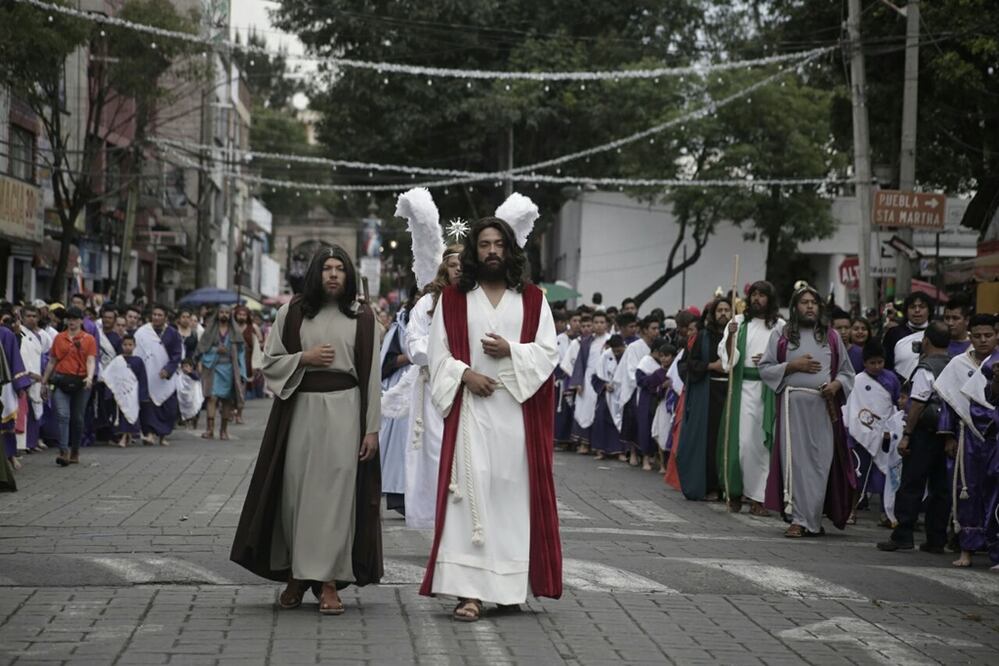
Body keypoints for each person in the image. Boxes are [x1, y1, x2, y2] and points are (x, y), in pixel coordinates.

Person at [420, 213, 561, 622]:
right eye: (484, 244)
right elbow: (437, 354)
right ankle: (470, 593)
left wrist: (512, 352)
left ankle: (508, 587)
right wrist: (466, 374)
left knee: (511, 499)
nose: (492, 251)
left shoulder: (533, 299)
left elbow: (548, 352)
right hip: (471, 413)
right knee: (471, 499)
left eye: (499, 244)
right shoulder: (453, 299)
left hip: (517, 416)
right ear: (473, 252)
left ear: (510, 250)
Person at [230, 245, 382, 615]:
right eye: (327, 268)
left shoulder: (362, 317)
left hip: (345, 412)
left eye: (339, 269)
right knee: (295, 494)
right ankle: (297, 576)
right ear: (316, 273)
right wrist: (305, 359)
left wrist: (371, 429)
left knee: (336, 498)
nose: (333, 274)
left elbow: (372, 377)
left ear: (348, 276)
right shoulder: (292, 312)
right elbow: (269, 362)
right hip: (300, 412)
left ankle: (328, 582)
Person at [759, 283, 855, 537]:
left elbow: (847, 372)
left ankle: (811, 518)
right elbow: (766, 368)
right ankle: (799, 520)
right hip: (792, 409)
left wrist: (835, 386)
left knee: (820, 463)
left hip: (823, 408)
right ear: (794, 307)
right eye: (804, 302)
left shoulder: (832, 337)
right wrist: (792, 366)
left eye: (813, 302)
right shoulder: (782, 336)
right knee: (797, 463)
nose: (810, 306)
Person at [877, 323, 950, 553]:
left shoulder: (925, 367)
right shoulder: (955, 364)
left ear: (926, 341)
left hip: (925, 432)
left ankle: (903, 534)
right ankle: (936, 538)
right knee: (941, 488)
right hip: (947, 433)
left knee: (911, 483)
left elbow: (917, 403)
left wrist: (907, 435)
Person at [404, 245, 462, 530]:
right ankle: (435, 518)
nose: (459, 270)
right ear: (445, 268)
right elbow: (414, 343)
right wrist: (446, 356)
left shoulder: (476, 299)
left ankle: (463, 518)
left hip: (465, 386)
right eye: (454, 265)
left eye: (465, 264)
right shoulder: (427, 303)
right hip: (432, 387)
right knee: (434, 451)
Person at [933, 313, 999, 568]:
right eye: (978, 336)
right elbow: (948, 403)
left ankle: (995, 551)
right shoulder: (958, 364)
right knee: (967, 491)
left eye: (988, 335)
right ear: (970, 336)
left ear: (996, 336)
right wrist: (949, 436)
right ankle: (967, 550)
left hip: (995, 438)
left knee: (995, 493)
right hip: (968, 436)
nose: (983, 340)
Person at [718, 281, 783, 515]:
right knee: (743, 444)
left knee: (763, 445)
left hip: (768, 390)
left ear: (770, 299)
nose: (757, 299)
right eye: (754, 295)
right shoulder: (738, 322)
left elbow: (786, 355)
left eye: (762, 295)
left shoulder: (780, 326)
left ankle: (759, 498)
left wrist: (769, 360)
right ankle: (735, 491)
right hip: (742, 390)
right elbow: (727, 359)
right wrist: (730, 337)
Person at [675, 297, 732, 500]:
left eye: (727, 309)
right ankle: (711, 486)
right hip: (710, 394)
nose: (723, 314)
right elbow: (691, 364)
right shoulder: (702, 337)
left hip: (733, 392)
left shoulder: (737, 335)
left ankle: (730, 486)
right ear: (713, 314)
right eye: (720, 310)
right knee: (711, 440)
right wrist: (711, 367)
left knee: (730, 440)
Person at [842, 339, 904, 526]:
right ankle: (851, 511)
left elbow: (893, 406)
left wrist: (891, 429)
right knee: (857, 477)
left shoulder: (891, 379)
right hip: (860, 435)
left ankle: (887, 513)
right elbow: (853, 407)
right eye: (872, 363)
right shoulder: (857, 380)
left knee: (885, 477)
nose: (877, 366)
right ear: (864, 362)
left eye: (880, 362)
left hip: (884, 436)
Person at [40, 307, 96, 467]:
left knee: (77, 419)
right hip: (61, 381)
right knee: (63, 416)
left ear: (81, 321)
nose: (71, 322)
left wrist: (90, 377)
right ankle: (63, 451)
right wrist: (44, 381)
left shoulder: (89, 339)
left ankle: (75, 451)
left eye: (75, 319)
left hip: (81, 382)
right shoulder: (59, 338)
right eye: (69, 319)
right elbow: (52, 361)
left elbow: (91, 360)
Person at [611, 315, 660, 468]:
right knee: (633, 420)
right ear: (645, 330)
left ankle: (649, 453)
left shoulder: (659, 346)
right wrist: (644, 380)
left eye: (658, 328)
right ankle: (633, 452)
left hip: (652, 389)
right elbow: (631, 370)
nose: (656, 332)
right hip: (636, 388)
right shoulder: (634, 347)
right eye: (653, 328)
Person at [379, 304, 412, 515]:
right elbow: (387, 362)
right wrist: (416, 355)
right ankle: (400, 496)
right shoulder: (400, 325)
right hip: (405, 387)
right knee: (402, 445)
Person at [135, 304, 182, 446]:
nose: (156, 317)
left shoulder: (172, 333)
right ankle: (149, 434)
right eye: (154, 314)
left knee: (168, 407)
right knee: (148, 406)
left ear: (165, 318)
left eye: (159, 315)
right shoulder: (142, 332)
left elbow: (177, 354)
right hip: (148, 375)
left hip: (166, 377)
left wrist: (168, 369)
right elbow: (137, 352)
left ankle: (163, 435)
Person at [197, 305, 246, 441]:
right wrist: (215, 350)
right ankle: (209, 430)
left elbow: (241, 352)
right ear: (217, 314)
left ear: (230, 315)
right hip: (213, 368)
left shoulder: (235, 332)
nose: (224, 315)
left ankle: (223, 431)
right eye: (222, 312)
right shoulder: (210, 330)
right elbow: (203, 349)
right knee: (212, 398)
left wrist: (242, 372)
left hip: (230, 369)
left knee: (227, 400)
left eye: (226, 312)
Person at [568, 310, 611, 455]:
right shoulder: (586, 342)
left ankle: (599, 445)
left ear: (607, 324)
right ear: (592, 324)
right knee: (584, 410)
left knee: (599, 411)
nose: (599, 325)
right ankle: (584, 443)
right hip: (587, 380)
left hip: (604, 380)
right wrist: (578, 382)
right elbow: (580, 362)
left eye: (602, 322)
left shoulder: (611, 340)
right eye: (596, 322)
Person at [636, 342, 673, 472]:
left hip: (674, 407)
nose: (663, 359)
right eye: (661, 355)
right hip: (662, 406)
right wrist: (662, 387)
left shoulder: (677, 370)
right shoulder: (658, 372)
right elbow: (648, 385)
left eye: (667, 356)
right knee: (660, 434)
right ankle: (659, 463)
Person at [18, 305, 50, 454]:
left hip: (38, 378)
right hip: (25, 378)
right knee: (25, 412)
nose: (32, 319)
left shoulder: (39, 336)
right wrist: (30, 374)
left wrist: (43, 378)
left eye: (34, 316)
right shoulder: (19, 335)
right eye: (28, 316)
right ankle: (22, 445)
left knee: (36, 411)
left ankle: (32, 442)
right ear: (22, 318)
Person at [590, 335, 626, 461]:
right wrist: (604, 385)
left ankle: (620, 451)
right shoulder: (605, 356)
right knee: (601, 419)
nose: (616, 352)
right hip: (606, 395)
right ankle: (601, 450)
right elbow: (595, 377)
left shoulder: (627, 355)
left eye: (619, 350)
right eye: (614, 350)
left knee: (621, 421)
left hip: (622, 394)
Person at [105, 334, 144, 448]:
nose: (128, 347)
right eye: (125, 345)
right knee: (122, 415)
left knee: (131, 413)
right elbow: (109, 376)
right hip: (121, 392)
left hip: (133, 393)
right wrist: (110, 392)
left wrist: (143, 395)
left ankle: (125, 437)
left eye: (130, 345)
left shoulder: (138, 361)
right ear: (121, 345)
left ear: (135, 346)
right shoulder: (117, 360)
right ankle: (125, 436)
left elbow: (142, 378)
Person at [883, 291, 933, 378]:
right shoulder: (894, 334)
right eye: (912, 307)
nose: (917, 310)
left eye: (922, 307)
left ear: (929, 311)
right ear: (906, 311)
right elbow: (886, 366)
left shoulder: (937, 333)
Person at [553, 310, 580, 450]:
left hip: (577, 380)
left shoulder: (581, 340)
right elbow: (555, 359)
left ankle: (572, 439)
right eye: (574, 321)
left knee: (574, 410)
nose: (577, 324)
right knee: (562, 410)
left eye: (579, 321)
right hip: (563, 380)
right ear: (570, 322)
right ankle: (561, 439)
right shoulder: (560, 339)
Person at [942, 292, 972, 357]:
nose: (950, 323)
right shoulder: (935, 343)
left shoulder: (976, 345)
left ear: (967, 320)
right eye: (947, 318)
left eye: (955, 318)